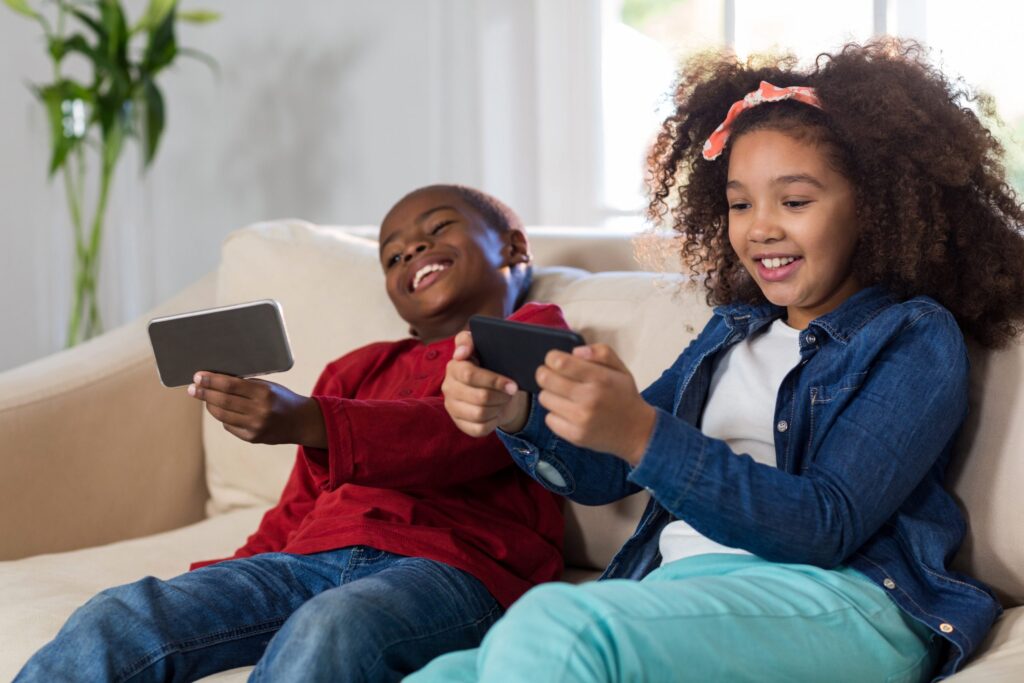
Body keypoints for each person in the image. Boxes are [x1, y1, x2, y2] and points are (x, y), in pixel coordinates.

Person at [424, 39, 1024, 682]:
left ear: (874, 210)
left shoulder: (911, 336)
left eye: (794, 202)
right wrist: (519, 413)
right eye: (740, 204)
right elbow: (605, 474)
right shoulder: (731, 332)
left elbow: (825, 525)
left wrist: (642, 432)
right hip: (684, 593)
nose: (760, 227)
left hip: (840, 600)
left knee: (556, 626)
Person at [15, 184, 567, 683]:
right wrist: (223, 581)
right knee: (122, 615)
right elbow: (299, 508)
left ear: (515, 248)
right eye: (394, 256)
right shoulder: (357, 370)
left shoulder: (534, 331)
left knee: (332, 626)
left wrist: (312, 420)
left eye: (438, 228)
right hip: (308, 561)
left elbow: (464, 435)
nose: (414, 251)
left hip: (454, 571)